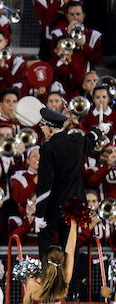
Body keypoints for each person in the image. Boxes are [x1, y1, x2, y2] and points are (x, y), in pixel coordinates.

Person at [33, 103, 94, 256]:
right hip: (74, 205)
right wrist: (100, 131)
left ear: (50, 128)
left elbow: (45, 184)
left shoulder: (48, 148)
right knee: (71, 245)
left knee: (46, 247)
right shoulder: (76, 140)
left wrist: (39, 214)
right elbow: (91, 140)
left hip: (53, 208)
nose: (42, 129)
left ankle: (49, 278)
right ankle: (71, 280)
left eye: (43, 126)